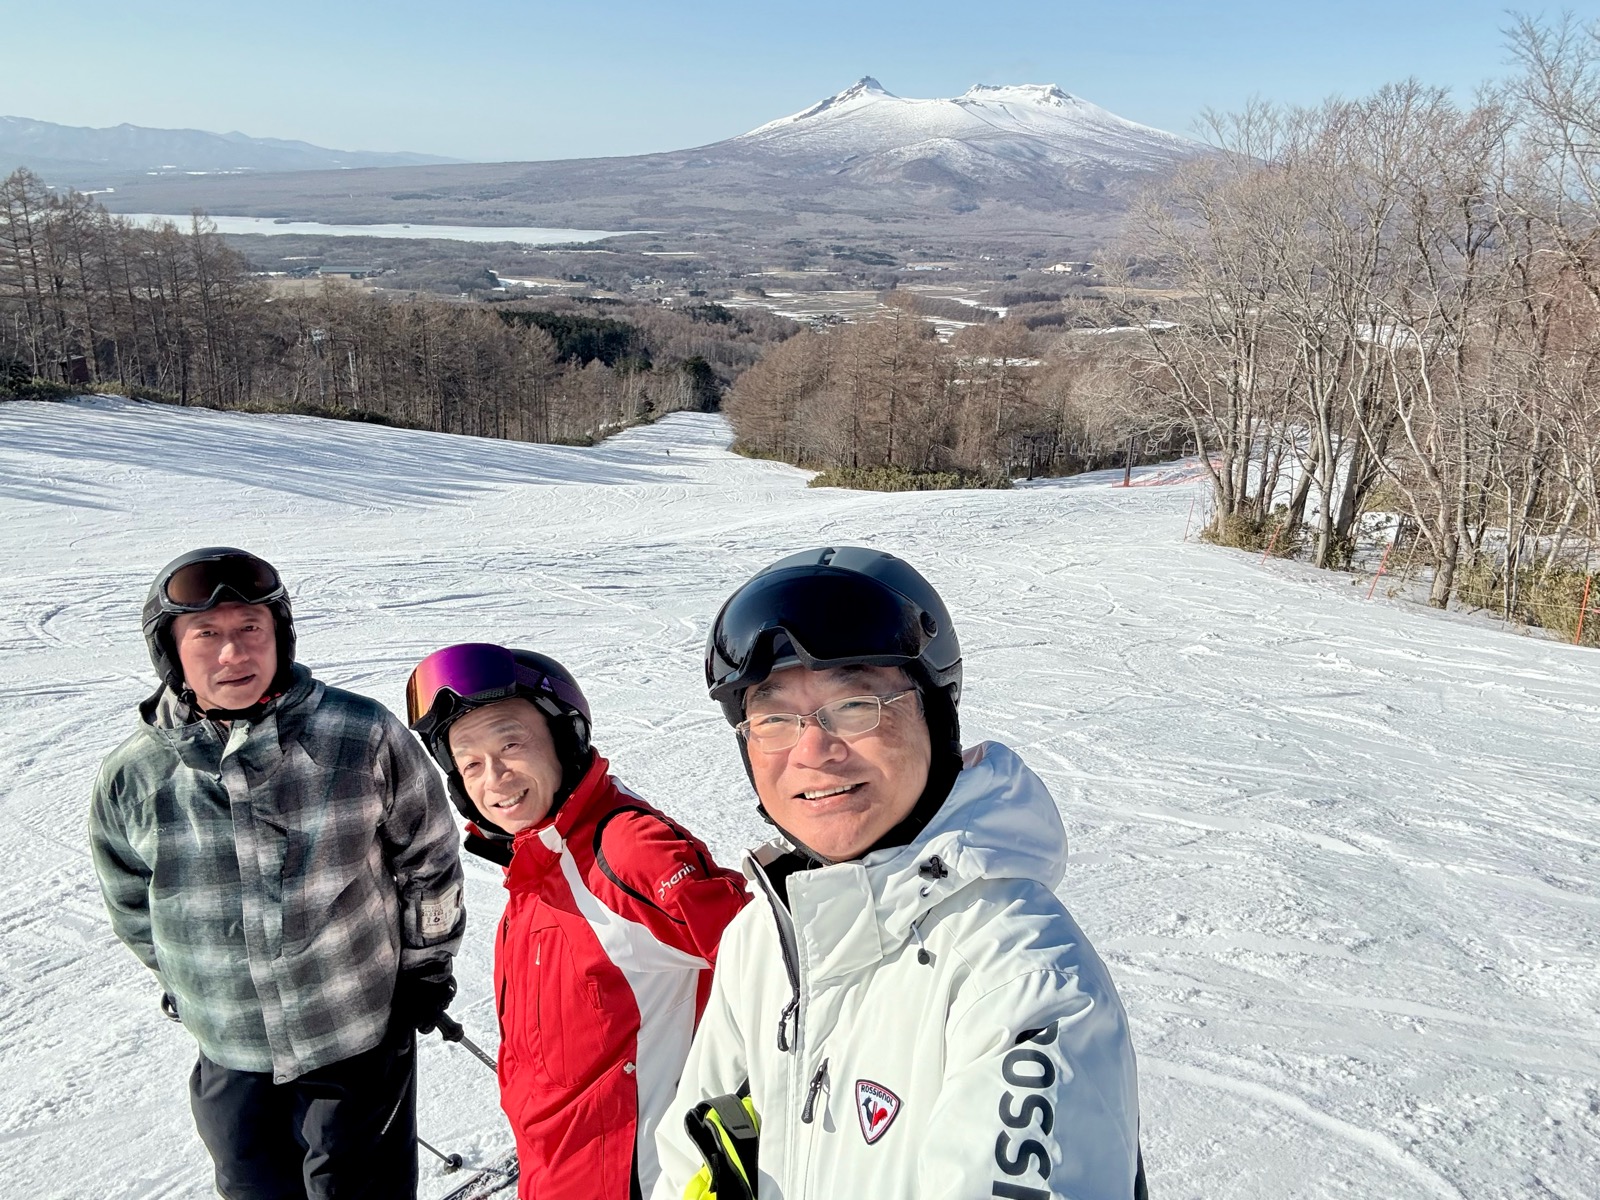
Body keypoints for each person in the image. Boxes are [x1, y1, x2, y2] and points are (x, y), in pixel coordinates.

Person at [652, 546, 1145, 1200]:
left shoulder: (1023, 976)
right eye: (774, 718)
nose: (813, 752)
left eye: (854, 706)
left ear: (935, 718)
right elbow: (692, 1160)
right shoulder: (763, 942)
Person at [89, 547, 465, 1200]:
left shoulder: (359, 735)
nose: (232, 654)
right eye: (206, 635)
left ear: (279, 637)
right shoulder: (135, 776)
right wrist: (190, 978)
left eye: (250, 630)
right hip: (231, 1053)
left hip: (356, 1040)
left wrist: (425, 969)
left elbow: (429, 860)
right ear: (171, 650)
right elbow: (131, 904)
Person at [406, 642, 748, 1200]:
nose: (493, 777)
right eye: (469, 762)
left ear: (563, 739)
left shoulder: (629, 851)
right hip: (552, 1175)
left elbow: (781, 975)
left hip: (638, 1181)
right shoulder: (536, 861)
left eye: (510, 743)